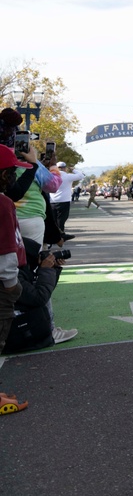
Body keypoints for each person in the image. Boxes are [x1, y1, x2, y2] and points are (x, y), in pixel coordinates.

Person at [0, 144, 30, 414]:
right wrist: (12, 285)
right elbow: (6, 248)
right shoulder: (3, 203)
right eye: (10, 171)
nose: (12, 177)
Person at [50, 161, 84, 234]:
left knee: (54, 219)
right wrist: (73, 169)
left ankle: (55, 234)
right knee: (61, 219)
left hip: (52, 200)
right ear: (65, 168)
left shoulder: (51, 176)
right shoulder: (68, 176)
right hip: (64, 200)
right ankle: (60, 234)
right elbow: (81, 176)